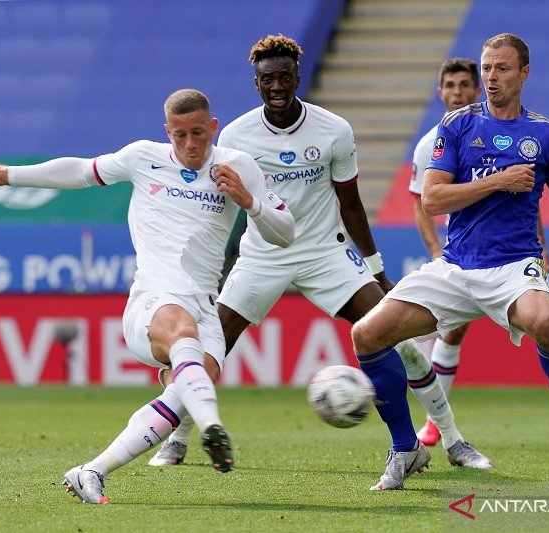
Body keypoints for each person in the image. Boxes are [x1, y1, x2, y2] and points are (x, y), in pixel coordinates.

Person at [148, 34, 492, 479]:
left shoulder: (334, 130)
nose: (276, 86)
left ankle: (452, 440)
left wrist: (376, 268)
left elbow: (350, 204)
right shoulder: (235, 135)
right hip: (262, 256)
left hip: (325, 253)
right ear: (256, 83)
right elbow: (223, 209)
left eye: (284, 76)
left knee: (397, 339)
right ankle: (175, 440)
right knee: (209, 347)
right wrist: (214, 269)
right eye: (266, 79)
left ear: (298, 76)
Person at [351, 33, 549, 494]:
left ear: (524, 73)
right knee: (366, 334)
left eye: (502, 69)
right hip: (456, 267)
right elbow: (432, 199)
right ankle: (405, 447)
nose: (491, 77)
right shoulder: (456, 126)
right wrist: (498, 180)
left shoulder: (546, 136)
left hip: (514, 268)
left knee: (548, 324)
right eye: (487, 68)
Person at [0, 89, 296, 504]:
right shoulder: (144, 157)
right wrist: (11, 175)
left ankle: (91, 470)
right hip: (152, 300)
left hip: (204, 307)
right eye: (180, 135)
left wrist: (249, 202)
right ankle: (212, 426)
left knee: (189, 384)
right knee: (182, 336)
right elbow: (80, 171)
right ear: (167, 132)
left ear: (214, 127)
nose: (190, 144)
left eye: (199, 133)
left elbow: (284, 233)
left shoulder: (239, 167)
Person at [409, 59, 549, 447]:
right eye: (450, 85)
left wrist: (540, 243)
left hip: (513, 257)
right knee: (450, 333)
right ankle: (433, 422)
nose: (458, 92)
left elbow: (530, 196)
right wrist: (436, 250)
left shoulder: (533, 133)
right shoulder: (434, 141)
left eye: (464, 84)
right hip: (460, 258)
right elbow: (422, 202)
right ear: (440, 91)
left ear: (477, 89)